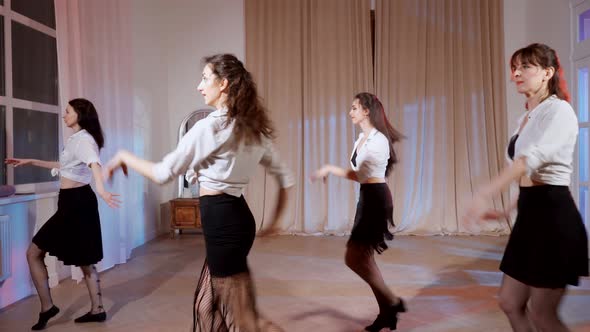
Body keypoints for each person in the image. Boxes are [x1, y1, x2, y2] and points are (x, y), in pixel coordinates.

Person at [104, 53, 294, 332]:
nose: (199, 86)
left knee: (242, 318)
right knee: (206, 306)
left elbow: (162, 173)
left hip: (223, 223)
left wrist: (123, 156)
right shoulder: (251, 129)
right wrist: (276, 220)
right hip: (238, 221)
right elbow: (285, 177)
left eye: (205, 78)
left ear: (224, 84)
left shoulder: (209, 127)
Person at [464, 43, 589, 332]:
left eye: (525, 67)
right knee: (509, 302)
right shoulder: (525, 118)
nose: (517, 73)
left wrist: (485, 192)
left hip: (554, 219)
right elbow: (526, 174)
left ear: (547, 73)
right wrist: (507, 208)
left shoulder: (560, 112)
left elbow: (531, 160)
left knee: (542, 314)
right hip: (531, 216)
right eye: (515, 67)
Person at [6, 98, 121, 330]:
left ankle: (48, 307)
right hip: (73, 202)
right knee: (84, 258)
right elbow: (65, 165)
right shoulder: (76, 139)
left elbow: (94, 164)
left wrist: (101, 190)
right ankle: (97, 309)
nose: (64, 115)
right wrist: (30, 161)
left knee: (33, 253)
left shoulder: (84, 140)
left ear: (79, 114)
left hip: (77, 203)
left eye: (67, 112)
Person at [311, 92, 405, 331]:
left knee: (353, 257)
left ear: (366, 111)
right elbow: (359, 175)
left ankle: (393, 302)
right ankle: (387, 313)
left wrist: (330, 168)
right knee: (364, 259)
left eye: (354, 108)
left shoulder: (379, 141)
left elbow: (363, 175)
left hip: (376, 200)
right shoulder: (360, 140)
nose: (350, 112)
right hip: (367, 198)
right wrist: (332, 170)